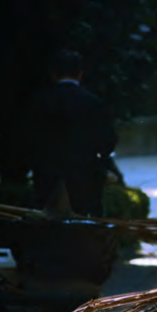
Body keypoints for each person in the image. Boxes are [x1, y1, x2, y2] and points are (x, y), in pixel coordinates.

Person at [20, 49, 117, 217]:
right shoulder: (93, 102)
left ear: (53, 74)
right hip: (84, 176)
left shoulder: (39, 102)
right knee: (85, 221)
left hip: (46, 175)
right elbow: (108, 140)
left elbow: (27, 139)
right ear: (80, 74)